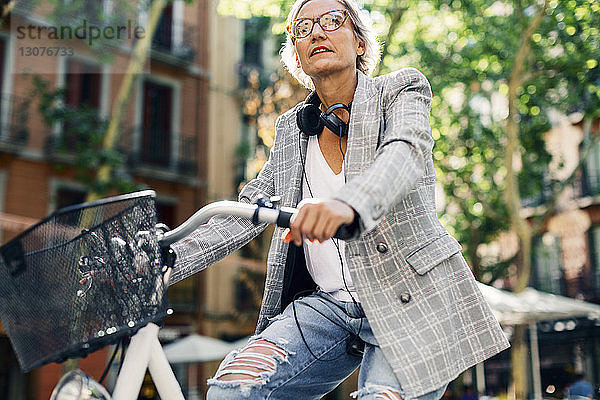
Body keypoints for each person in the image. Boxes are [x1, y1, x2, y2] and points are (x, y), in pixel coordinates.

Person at [167, 0, 510, 398]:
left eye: (332, 21)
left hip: (410, 297)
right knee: (232, 389)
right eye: (302, 28)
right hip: (327, 308)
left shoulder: (398, 91)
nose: (316, 32)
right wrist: (166, 258)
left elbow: (405, 152)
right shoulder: (291, 130)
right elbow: (246, 211)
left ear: (360, 42)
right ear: (296, 52)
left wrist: (347, 204)